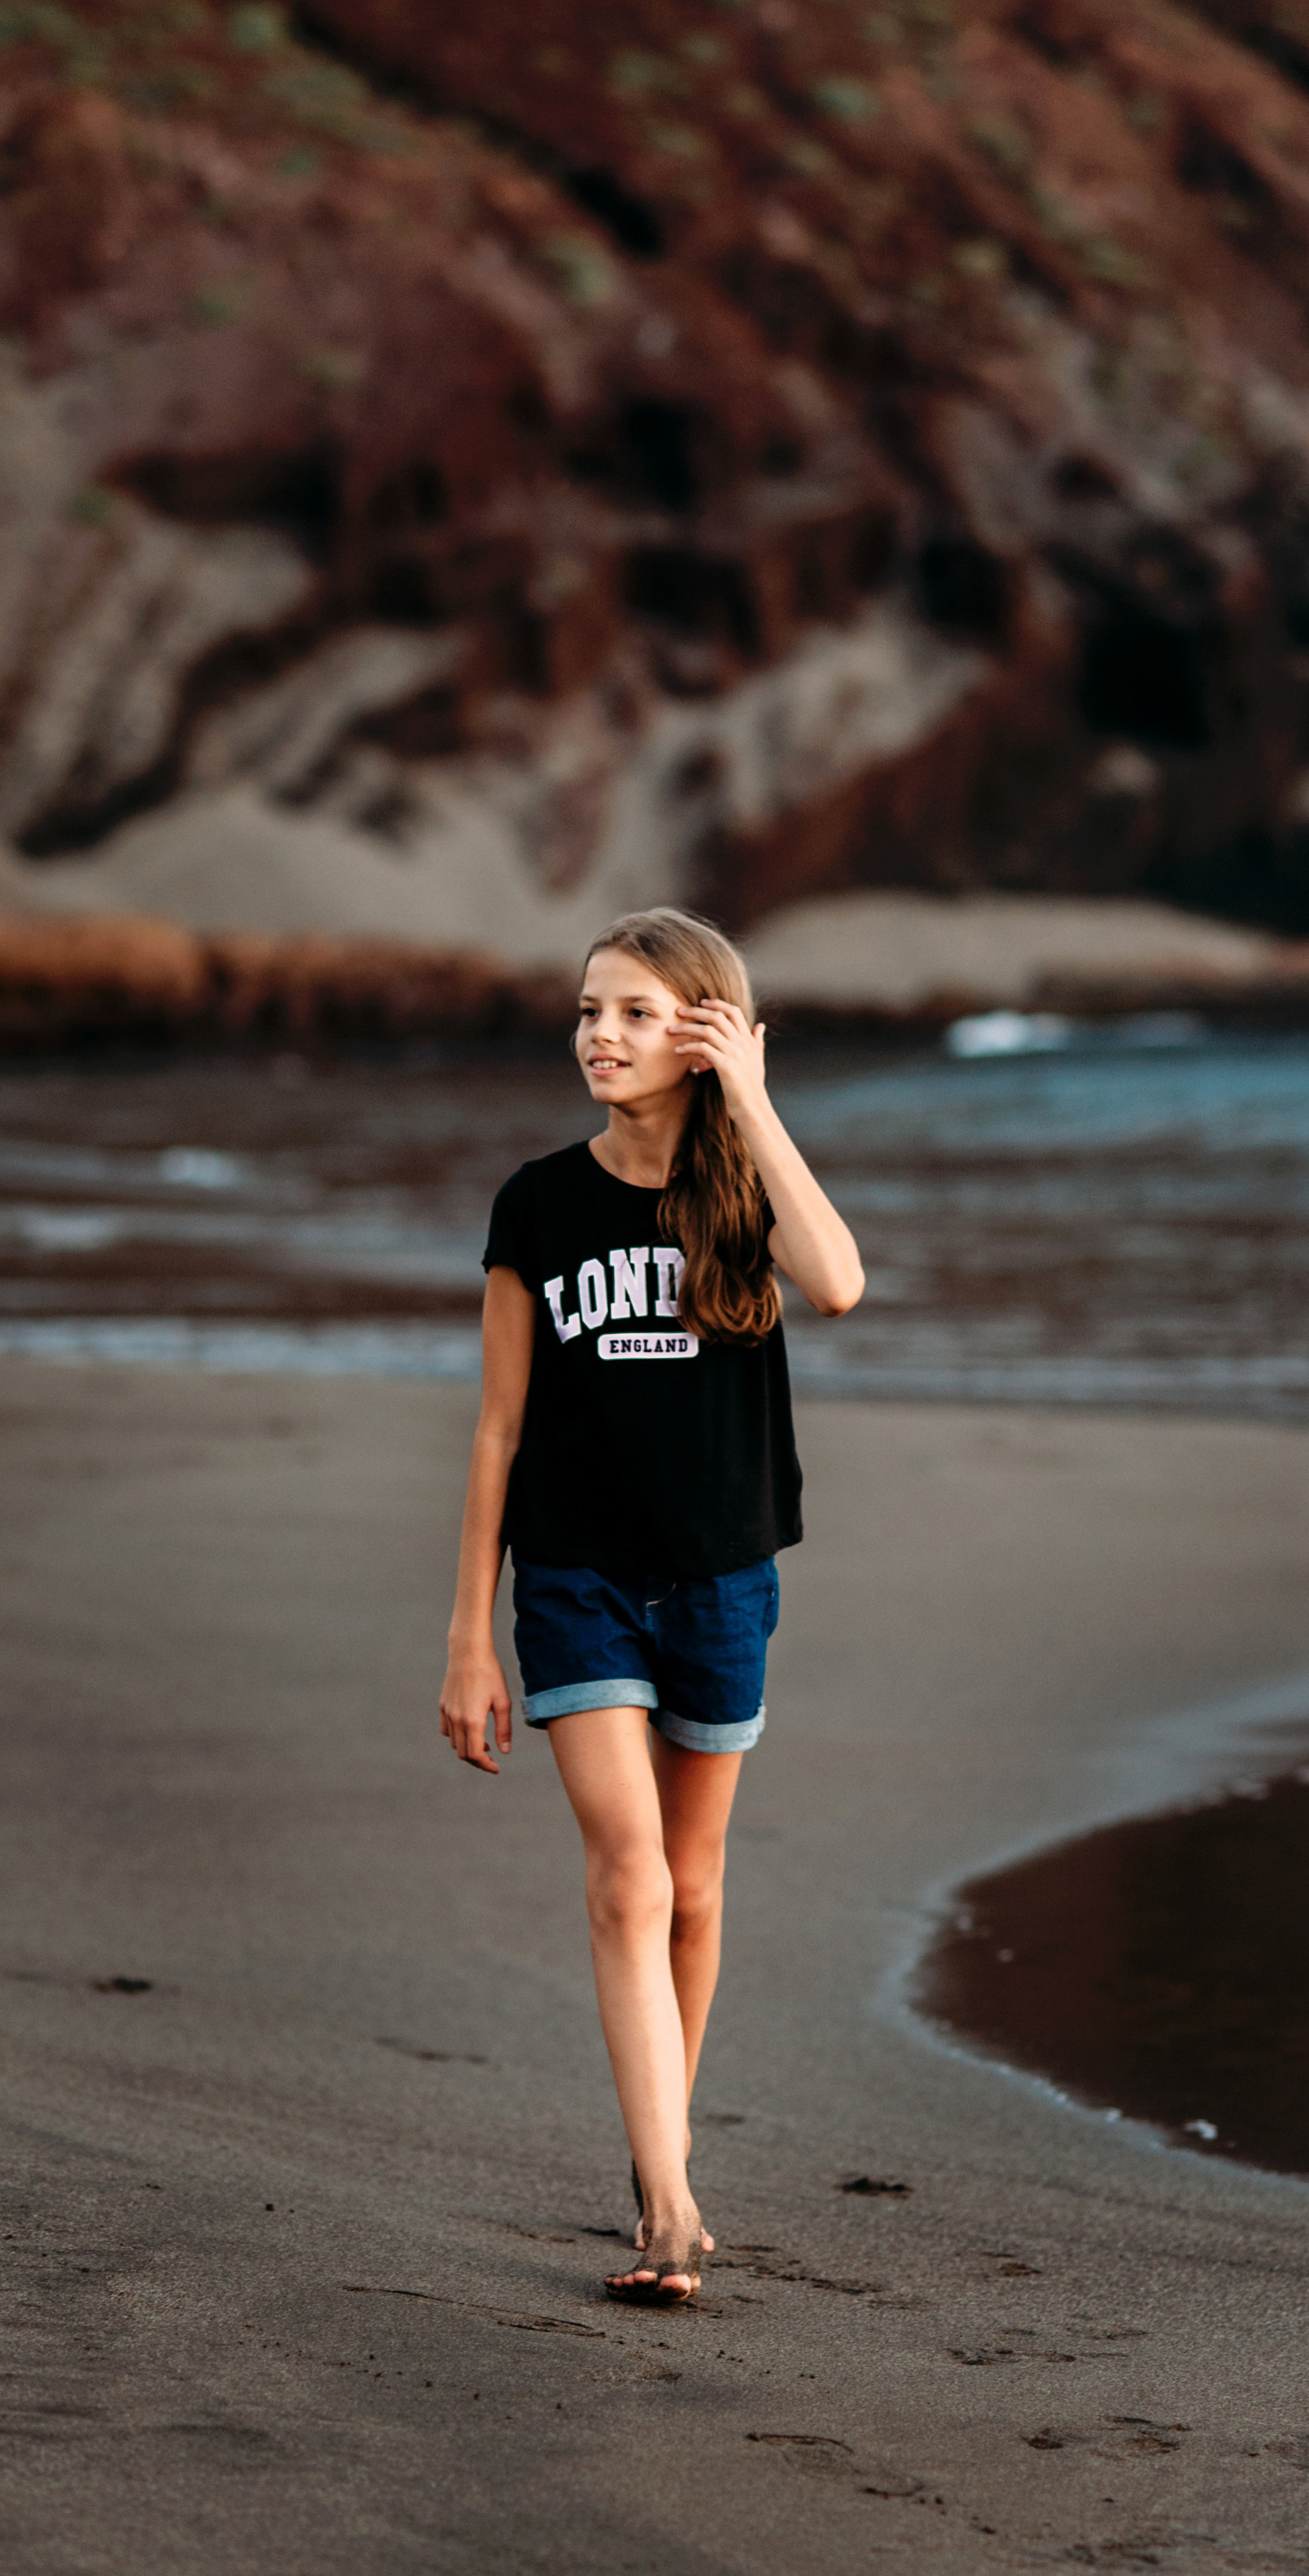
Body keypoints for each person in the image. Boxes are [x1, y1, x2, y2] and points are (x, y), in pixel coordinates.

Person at [437, 906, 865, 2304]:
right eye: (585, 1011)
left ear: (697, 1033)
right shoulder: (536, 1203)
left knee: (692, 1885)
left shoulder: (743, 1193)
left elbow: (843, 1282)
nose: (597, 1038)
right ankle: (671, 2209)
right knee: (625, 1875)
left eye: (632, 1014)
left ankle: (653, 2149)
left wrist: (750, 1094)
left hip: (722, 1573)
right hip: (574, 1581)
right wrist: (466, 1635)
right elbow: (497, 1429)